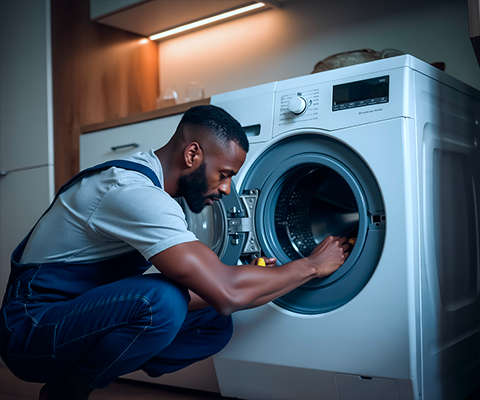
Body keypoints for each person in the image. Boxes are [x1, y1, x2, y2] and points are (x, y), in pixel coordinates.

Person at [0, 105, 353, 400]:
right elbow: (226, 292)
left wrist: (264, 277)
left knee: (214, 323)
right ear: (193, 154)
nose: (228, 189)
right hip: (29, 330)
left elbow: (213, 296)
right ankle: (74, 388)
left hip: (76, 315)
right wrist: (310, 266)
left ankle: (73, 380)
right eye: (225, 173)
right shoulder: (132, 192)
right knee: (163, 301)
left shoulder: (160, 195)